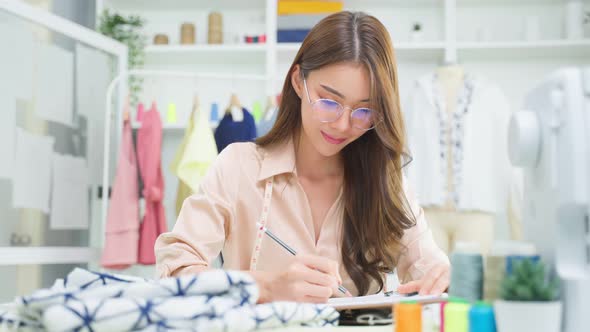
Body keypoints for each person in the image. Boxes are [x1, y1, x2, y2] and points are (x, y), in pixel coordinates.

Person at [155, 11, 450, 304]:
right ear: (298, 81)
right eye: (329, 102)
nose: (343, 125)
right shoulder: (238, 167)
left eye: (364, 110)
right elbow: (176, 271)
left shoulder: (385, 181)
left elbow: (428, 268)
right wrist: (267, 287)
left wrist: (440, 277)